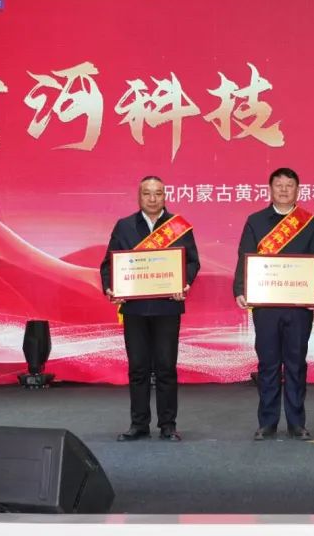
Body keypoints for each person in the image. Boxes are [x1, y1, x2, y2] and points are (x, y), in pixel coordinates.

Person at [100, 175, 200, 442]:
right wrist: (111, 287)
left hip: (168, 307)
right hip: (135, 308)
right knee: (138, 368)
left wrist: (184, 282)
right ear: (139, 196)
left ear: (165, 196)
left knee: (166, 367)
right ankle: (139, 424)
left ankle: (168, 424)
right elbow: (109, 264)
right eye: (147, 193)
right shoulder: (124, 226)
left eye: (158, 193)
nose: (153, 199)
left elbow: (192, 262)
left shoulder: (178, 226)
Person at [233, 167, 314, 441]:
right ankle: (267, 422)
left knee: (296, 364)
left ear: (298, 190)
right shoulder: (256, 221)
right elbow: (245, 256)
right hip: (266, 307)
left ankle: (297, 423)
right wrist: (240, 288)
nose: (284, 190)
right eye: (279, 185)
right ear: (270, 189)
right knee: (268, 364)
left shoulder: (309, 222)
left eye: (289, 185)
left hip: (299, 307)